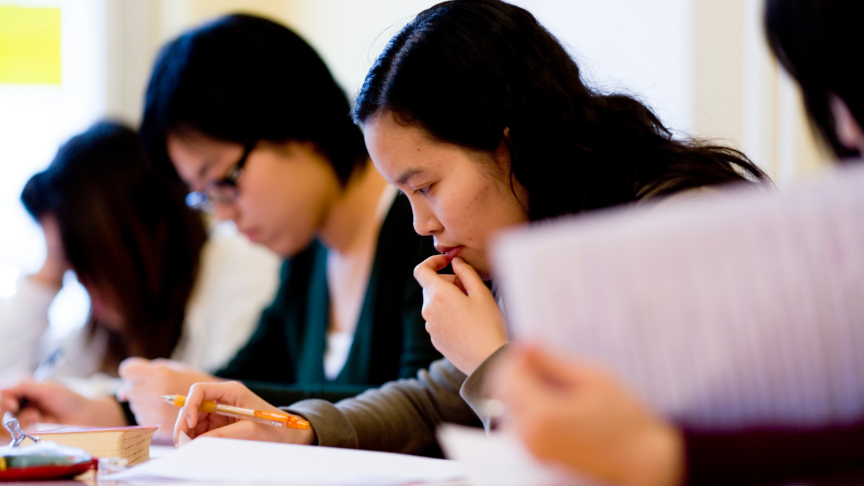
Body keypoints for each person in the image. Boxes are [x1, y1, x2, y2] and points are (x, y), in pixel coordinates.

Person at [171, 0, 767, 457]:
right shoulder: (527, 237)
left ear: (507, 143)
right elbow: (437, 400)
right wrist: (294, 429)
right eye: (404, 195)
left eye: (426, 186)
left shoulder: (675, 224)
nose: (420, 222)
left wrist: (490, 360)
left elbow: (601, 458)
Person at [489, 1, 864, 485]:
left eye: (426, 187)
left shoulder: (676, 214)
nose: (846, 131)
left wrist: (662, 454)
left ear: (507, 147)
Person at [115, 13, 443, 445]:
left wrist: (212, 401)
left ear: (292, 123)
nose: (225, 216)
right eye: (204, 196)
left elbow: (428, 408)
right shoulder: (307, 253)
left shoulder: (427, 228)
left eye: (224, 181)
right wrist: (110, 409)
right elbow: (236, 377)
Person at [0, 121, 280, 438]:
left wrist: (100, 404)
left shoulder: (240, 269)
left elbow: (224, 398)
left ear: (142, 236)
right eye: (70, 266)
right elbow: (10, 375)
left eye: (91, 266)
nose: (88, 289)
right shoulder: (105, 329)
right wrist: (48, 272)